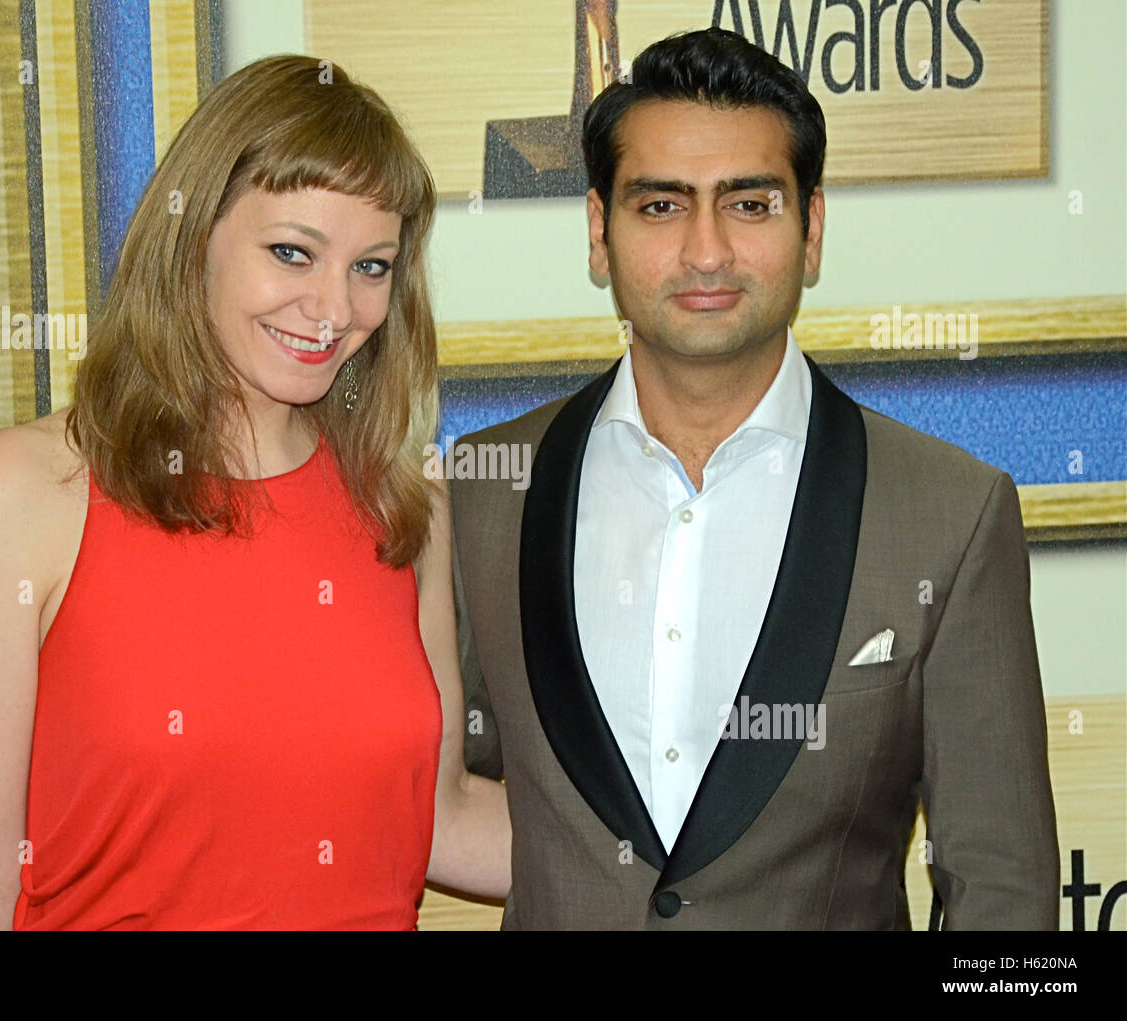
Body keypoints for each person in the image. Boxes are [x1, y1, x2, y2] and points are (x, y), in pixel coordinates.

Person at [452, 27, 1058, 929]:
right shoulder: (482, 494)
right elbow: (428, 792)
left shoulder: (949, 513)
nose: (705, 251)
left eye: (749, 204)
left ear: (811, 229)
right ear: (598, 230)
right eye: (660, 205)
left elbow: (1003, 894)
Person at [0, 53, 510, 930]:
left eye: (371, 267)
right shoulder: (15, 497)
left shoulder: (403, 506)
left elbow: (442, 821)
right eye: (292, 252)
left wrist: (712, 849)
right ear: (191, 239)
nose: (333, 308)